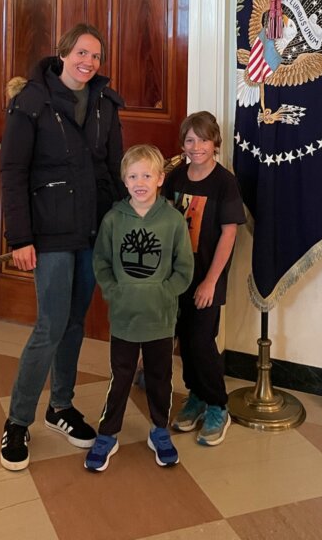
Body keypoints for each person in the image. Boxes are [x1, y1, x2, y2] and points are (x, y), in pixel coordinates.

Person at [0, 23, 124, 471]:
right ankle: (17, 420)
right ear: (64, 52)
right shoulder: (31, 101)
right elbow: (12, 172)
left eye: (96, 57)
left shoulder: (106, 104)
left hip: (92, 232)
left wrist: (118, 226)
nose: (89, 62)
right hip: (48, 234)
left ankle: (61, 407)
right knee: (50, 325)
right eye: (82, 53)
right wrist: (21, 238)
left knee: (74, 322)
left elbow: (113, 170)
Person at [85, 144, 194, 472]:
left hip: (160, 317)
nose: (140, 181)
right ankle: (108, 432)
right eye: (133, 176)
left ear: (161, 178)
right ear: (124, 180)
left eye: (147, 175)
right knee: (121, 376)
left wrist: (166, 293)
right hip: (125, 316)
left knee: (161, 377)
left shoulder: (173, 220)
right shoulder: (114, 219)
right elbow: (101, 261)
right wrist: (113, 291)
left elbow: (184, 267)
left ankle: (160, 430)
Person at [162, 111, 245, 446]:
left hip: (207, 275)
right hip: (177, 276)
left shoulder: (225, 182)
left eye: (203, 139)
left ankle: (217, 405)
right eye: (190, 140)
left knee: (200, 339)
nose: (196, 146)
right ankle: (195, 395)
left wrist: (210, 281)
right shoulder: (176, 177)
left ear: (215, 142)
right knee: (185, 338)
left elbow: (228, 235)